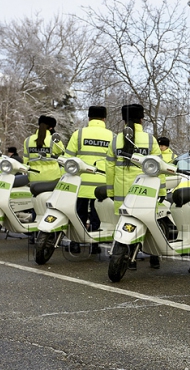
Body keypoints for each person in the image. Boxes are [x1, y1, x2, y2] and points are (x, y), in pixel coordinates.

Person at [106, 104, 164, 269]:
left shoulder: (116, 139)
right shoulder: (149, 139)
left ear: (123, 119)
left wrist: (110, 190)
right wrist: (161, 191)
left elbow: (109, 169)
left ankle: (129, 258)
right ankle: (154, 257)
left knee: (127, 224)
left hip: (122, 191)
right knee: (150, 222)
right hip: (146, 190)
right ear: (141, 119)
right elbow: (159, 167)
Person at [65, 105, 113, 254]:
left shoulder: (78, 134)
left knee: (78, 213)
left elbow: (68, 159)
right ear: (104, 119)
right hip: (101, 185)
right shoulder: (112, 136)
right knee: (96, 215)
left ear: (89, 118)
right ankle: (95, 244)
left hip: (80, 183)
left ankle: (75, 243)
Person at [23, 115, 66, 182]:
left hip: (34, 178)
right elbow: (63, 155)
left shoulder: (28, 140)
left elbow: (25, 161)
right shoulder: (54, 140)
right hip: (53, 178)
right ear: (51, 128)